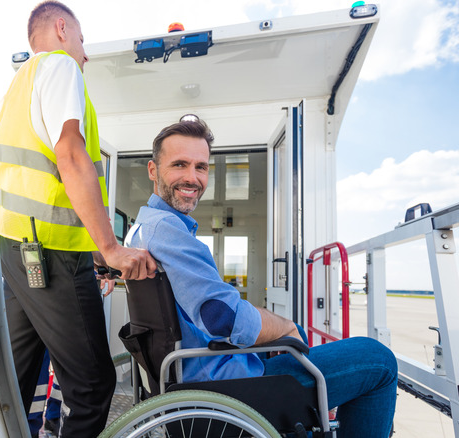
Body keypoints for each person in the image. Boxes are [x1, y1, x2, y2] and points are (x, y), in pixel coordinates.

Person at [125, 118, 398, 437]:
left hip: (196, 374)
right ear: (153, 170)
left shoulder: (141, 229)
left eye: (201, 167)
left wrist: (266, 338)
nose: (192, 177)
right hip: (227, 388)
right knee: (378, 360)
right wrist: (286, 328)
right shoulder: (169, 233)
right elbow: (220, 317)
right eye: (179, 165)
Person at [0, 2, 157, 436]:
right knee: (92, 385)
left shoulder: (14, 89)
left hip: (17, 252)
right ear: (62, 29)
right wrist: (110, 247)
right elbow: (70, 154)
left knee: (13, 378)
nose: (85, 54)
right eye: (82, 41)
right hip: (53, 253)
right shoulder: (60, 68)